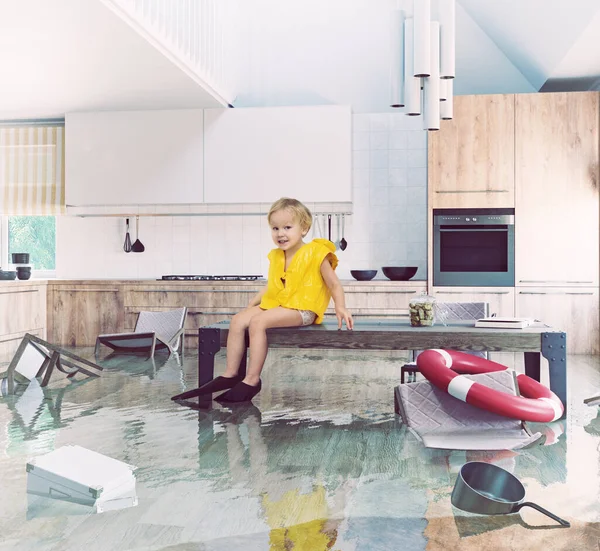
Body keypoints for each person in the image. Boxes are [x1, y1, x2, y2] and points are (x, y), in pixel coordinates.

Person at [196, 197, 353, 403]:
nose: (281, 233)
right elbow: (273, 285)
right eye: (275, 228)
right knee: (238, 320)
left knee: (258, 322)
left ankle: (252, 380)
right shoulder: (277, 256)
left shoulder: (316, 252)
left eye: (287, 227)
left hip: (303, 309)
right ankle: (231, 374)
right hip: (279, 304)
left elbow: (333, 284)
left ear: (304, 229)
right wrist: (253, 303)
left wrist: (340, 306)